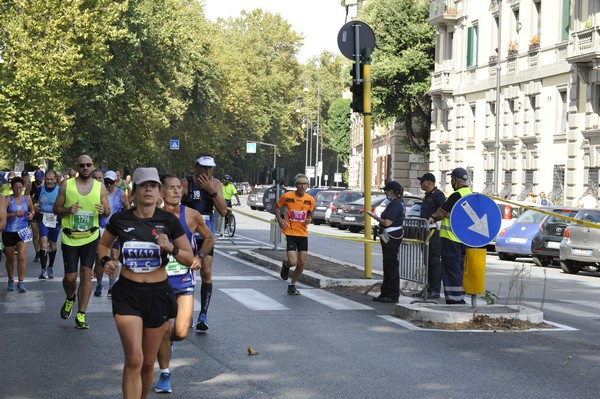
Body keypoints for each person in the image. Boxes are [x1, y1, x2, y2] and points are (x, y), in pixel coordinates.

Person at [98, 167, 194, 399]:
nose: (148, 189)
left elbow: (189, 258)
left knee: (148, 363)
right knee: (134, 359)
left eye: (152, 185)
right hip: (128, 294)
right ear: (135, 191)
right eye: (143, 185)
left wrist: (170, 247)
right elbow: (103, 245)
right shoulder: (120, 219)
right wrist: (105, 261)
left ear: (159, 192)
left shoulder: (168, 221)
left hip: (158, 294)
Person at [154, 174, 214, 393]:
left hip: (183, 279)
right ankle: (164, 375)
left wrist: (198, 257)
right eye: (171, 188)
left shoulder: (192, 215)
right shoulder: (153, 216)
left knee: (180, 332)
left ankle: (161, 341)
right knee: (164, 329)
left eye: (179, 188)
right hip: (158, 280)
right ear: (162, 191)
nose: (177, 191)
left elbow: (209, 238)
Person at [53, 155, 110, 329]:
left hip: (90, 237)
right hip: (70, 237)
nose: (85, 167)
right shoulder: (66, 185)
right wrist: (68, 210)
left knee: (86, 273)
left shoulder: (100, 187)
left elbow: (108, 210)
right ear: (77, 167)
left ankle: (81, 314)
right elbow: (56, 209)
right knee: (71, 278)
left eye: (88, 165)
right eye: (82, 165)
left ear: (92, 166)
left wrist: (103, 210)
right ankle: (70, 297)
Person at [182, 154, 227, 332]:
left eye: (211, 168)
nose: (207, 171)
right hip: (186, 235)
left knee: (206, 271)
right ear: (196, 167)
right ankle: (186, 313)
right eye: (204, 167)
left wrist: (212, 191)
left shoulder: (216, 184)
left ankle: (203, 315)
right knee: (185, 274)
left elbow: (223, 211)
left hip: (206, 236)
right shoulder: (186, 183)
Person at [429, 167, 472, 305]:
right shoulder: (469, 194)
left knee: (450, 270)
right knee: (458, 269)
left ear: (455, 180)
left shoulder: (456, 195)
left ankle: (454, 299)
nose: (451, 182)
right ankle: (458, 297)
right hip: (463, 239)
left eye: (451, 179)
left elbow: (440, 213)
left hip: (450, 238)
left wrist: (433, 215)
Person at [275, 174, 316, 295]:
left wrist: (309, 219)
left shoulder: (310, 199)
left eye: (305, 184)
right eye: (300, 184)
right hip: (290, 232)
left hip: (303, 233)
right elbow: (276, 207)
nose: (303, 186)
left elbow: (310, 213)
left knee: (302, 262)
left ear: (308, 185)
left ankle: (292, 285)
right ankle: (286, 265)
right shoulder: (287, 196)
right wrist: (279, 219)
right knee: (293, 262)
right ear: (296, 185)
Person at [93, 170, 130, 297]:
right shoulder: (99, 193)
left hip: (115, 230)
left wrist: (124, 224)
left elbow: (128, 209)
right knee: (100, 259)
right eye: (106, 182)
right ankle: (99, 284)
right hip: (100, 228)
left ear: (115, 182)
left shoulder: (121, 194)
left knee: (114, 257)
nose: (108, 185)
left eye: (111, 183)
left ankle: (112, 285)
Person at [368, 181, 405, 303]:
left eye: (386, 191)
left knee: (391, 266)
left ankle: (392, 294)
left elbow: (387, 222)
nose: (385, 193)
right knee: (387, 265)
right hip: (390, 235)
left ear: (391, 191)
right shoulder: (396, 203)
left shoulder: (395, 204)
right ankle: (385, 292)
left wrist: (376, 218)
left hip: (391, 236)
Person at [417, 173, 446, 299]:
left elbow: (444, 209)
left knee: (434, 261)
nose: (420, 184)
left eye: (422, 181)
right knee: (427, 261)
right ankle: (427, 288)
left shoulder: (438, 195)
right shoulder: (428, 196)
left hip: (434, 233)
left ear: (429, 182)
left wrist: (434, 216)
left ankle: (434, 290)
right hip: (426, 232)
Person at [3, 177, 33, 292]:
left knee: (21, 256)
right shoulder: (7, 199)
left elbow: (32, 211)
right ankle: (11, 280)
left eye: (20, 187)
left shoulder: (27, 199)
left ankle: (21, 282)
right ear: (12, 187)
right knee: (10, 258)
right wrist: (13, 214)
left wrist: (31, 215)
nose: (18, 190)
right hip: (9, 231)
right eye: (16, 187)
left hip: (23, 231)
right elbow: (2, 215)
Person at [35, 170, 61, 279]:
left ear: (55, 179)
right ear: (45, 179)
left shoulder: (60, 191)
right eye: (48, 179)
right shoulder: (40, 189)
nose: (49, 182)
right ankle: (43, 270)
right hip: (43, 219)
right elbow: (32, 201)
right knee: (43, 242)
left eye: (51, 179)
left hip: (55, 219)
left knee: (53, 244)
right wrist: (35, 207)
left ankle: (50, 267)